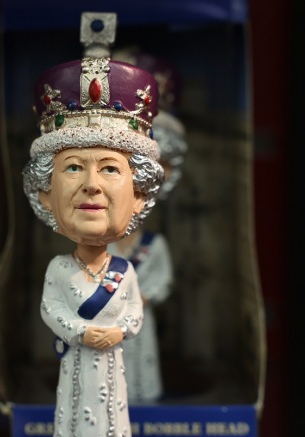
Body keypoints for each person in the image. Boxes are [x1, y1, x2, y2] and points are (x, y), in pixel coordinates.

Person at [22, 13, 163, 437]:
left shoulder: (124, 270)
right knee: (75, 414)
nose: (91, 186)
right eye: (72, 167)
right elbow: (50, 308)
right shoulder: (60, 268)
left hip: (112, 363)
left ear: (139, 195)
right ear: (46, 195)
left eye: (109, 169)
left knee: (112, 414)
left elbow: (135, 312)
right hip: (78, 360)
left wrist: (118, 331)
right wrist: (82, 331)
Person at [108, 51, 188, 403]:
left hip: (139, 316)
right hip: (106, 316)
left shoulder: (153, 244)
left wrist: (146, 296)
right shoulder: (101, 243)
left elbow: (163, 279)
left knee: (141, 360)